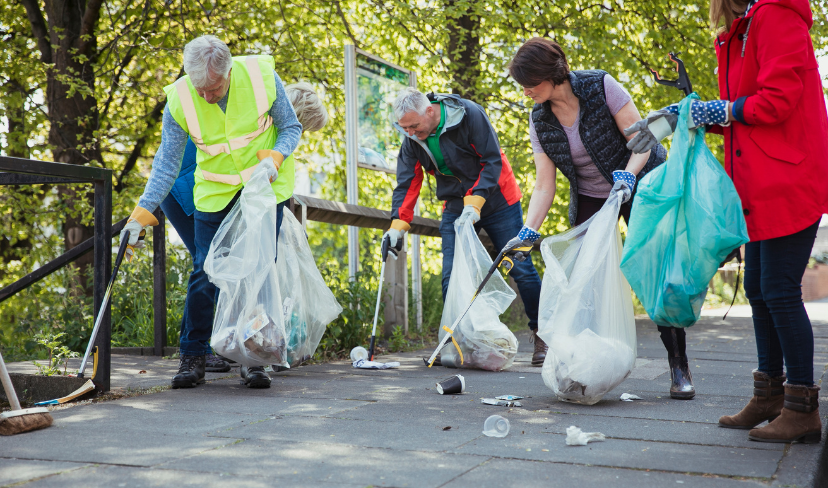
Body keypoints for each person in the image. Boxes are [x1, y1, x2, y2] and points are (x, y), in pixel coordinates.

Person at [626, 0, 828, 443]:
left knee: (777, 288)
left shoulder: (775, 17)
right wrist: (680, 117)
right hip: (760, 183)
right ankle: (770, 396)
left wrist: (711, 112)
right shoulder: (743, 28)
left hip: (789, 178)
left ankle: (802, 409)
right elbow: (742, 113)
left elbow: (775, 103)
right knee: (758, 287)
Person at [502, 38, 703, 400]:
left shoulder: (599, 85)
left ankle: (678, 364)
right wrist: (528, 230)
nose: (527, 91)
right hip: (593, 197)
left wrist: (627, 177)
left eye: (530, 82)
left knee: (653, 273)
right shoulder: (540, 119)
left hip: (641, 181)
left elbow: (641, 139)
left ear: (551, 73)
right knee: (580, 280)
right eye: (523, 85)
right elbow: (545, 185)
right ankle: (582, 366)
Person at [119, 35, 302, 390]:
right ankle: (193, 355)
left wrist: (275, 158)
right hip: (214, 192)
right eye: (199, 88)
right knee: (205, 270)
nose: (205, 95)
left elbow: (291, 127)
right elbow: (167, 162)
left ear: (228, 72)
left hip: (264, 188)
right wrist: (142, 212)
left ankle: (254, 359)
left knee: (259, 272)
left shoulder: (262, 76)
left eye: (213, 87)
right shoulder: (180, 97)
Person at [159, 82, 329, 374]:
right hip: (187, 194)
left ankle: (242, 347)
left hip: (203, 193)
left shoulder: (263, 122)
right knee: (211, 268)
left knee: (231, 270)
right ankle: (203, 349)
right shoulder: (256, 125)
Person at [383, 88, 546, 365]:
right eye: (404, 128)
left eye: (414, 126)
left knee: (521, 268)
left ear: (430, 112)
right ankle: (457, 341)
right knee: (451, 275)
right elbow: (408, 180)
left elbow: (491, 160)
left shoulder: (469, 114)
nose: (409, 133)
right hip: (456, 204)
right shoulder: (412, 137)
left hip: (498, 199)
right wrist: (398, 224)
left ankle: (543, 335)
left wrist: (477, 202)